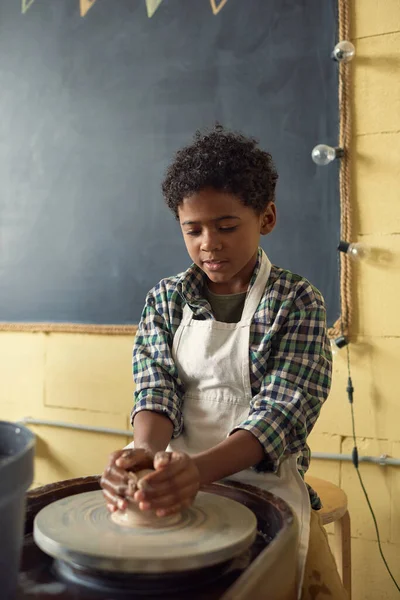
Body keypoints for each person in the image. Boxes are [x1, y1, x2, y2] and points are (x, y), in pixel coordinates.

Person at [100, 126, 347, 599]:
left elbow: (281, 412)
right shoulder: (167, 299)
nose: (208, 243)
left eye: (226, 226)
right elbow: (156, 388)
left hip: (265, 485)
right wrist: (146, 454)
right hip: (174, 483)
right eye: (192, 230)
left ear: (266, 217)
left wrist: (198, 472)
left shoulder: (296, 301)